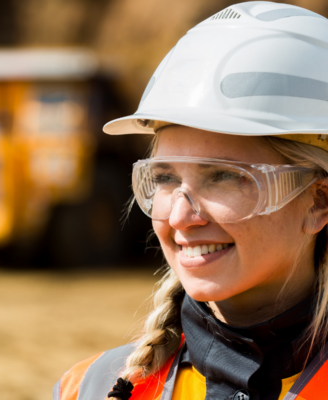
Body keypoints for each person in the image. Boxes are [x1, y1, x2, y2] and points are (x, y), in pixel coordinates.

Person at [53, 2, 328, 399]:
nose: (181, 216)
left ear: (319, 201)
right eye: (164, 178)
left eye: (225, 177)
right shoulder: (89, 388)